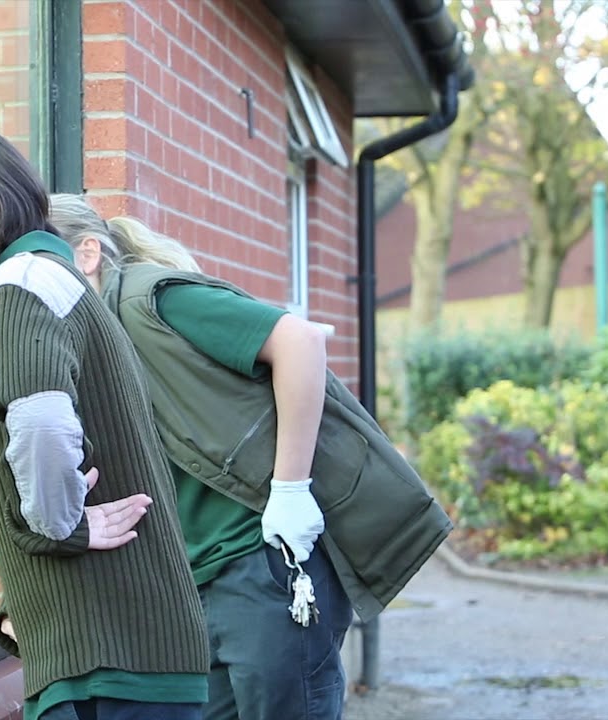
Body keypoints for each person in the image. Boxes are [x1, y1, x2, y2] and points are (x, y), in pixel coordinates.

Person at [47, 194, 453, 720]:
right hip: (194, 586)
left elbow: (300, 342)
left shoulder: (148, 299)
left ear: (87, 255)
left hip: (261, 563)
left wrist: (290, 492)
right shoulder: (81, 347)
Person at [0, 127, 209, 720]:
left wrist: (59, 529)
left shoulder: (21, 286)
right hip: (117, 657)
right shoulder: (47, 281)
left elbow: (40, 424)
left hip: (105, 669)